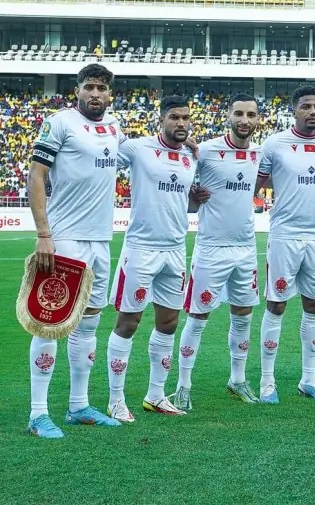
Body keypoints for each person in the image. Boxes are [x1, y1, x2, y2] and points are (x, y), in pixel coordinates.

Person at [26, 63, 123, 438]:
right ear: (78, 90)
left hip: (101, 238)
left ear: (110, 94)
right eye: (89, 87)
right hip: (65, 236)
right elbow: (37, 174)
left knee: (89, 324)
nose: (95, 93)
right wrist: (44, 233)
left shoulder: (115, 128)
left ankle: (79, 406)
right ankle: (37, 414)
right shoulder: (59, 122)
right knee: (50, 322)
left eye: (101, 88)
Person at [106, 96, 198, 421]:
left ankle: (156, 396)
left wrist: (195, 201)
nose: (181, 123)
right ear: (161, 119)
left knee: (169, 323)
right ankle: (115, 400)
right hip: (141, 249)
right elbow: (107, 152)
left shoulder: (190, 156)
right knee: (128, 323)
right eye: (175, 117)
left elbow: (184, 203)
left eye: (186, 117)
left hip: (176, 250)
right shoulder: (138, 148)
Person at [171, 94, 262, 410]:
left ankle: (237, 380)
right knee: (197, 317)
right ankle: (183, 386)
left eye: (251, 114)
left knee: (243, 316)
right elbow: (178, 184)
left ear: (258, 119)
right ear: (228, 116)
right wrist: (193, 197)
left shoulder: (259, 154)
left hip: (246, 248)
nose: (244, 120)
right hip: (211, 248)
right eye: (239, 113)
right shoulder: (205, 150)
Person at [256, 86, 315, 403]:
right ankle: (267, 382)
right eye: (306, 106)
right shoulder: (275, 144)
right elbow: (256, 183)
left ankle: (309, 379)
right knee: (276, 304)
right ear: (294, 110)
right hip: (284, 234)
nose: (313, 112)